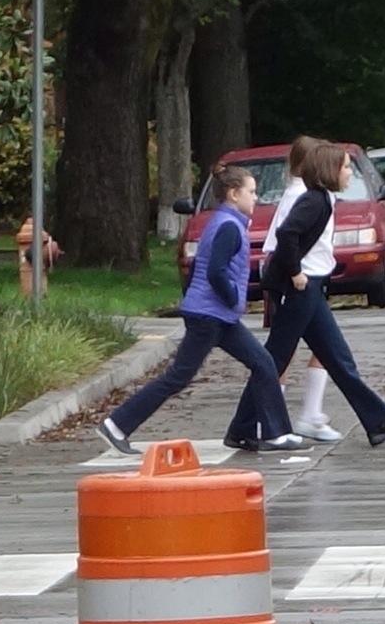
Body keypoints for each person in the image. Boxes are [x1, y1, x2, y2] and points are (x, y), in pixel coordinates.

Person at [97, 166, 309, 455]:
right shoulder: (228, 226)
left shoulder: (225, 222)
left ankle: (263, 433)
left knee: (263, 363)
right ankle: (116, 425)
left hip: (217, 315)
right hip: (210, 316)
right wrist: (232, 295)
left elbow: (202, 265)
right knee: (178, 376)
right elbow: (214, 271)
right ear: (234, 195)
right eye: (251, 191)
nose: (256, 197)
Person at [226, 140, 385, 449]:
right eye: (345, 168)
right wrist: (296, 271)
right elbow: (287, 234)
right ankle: (245, 426)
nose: (349, 174)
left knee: (338, 359)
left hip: (311, 288)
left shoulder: (322, 198)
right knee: (274, 358)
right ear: (329, 170)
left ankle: (378, 420)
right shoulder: (314, 200)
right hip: (300, 288)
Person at [265, 135, 341, 443]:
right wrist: (295, 272)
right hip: (299, 280)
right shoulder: (302, 196)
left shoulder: (314, 195)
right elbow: (286, 237)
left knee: (322, 348)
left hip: (313, 278)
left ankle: (309, 415)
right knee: (282, 349)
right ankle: (272, 419)